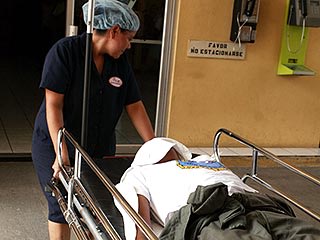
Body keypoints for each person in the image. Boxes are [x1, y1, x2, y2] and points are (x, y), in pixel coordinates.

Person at [31, 0, 155, 239]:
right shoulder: (65, 52)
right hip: (55, 143)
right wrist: (61, 152)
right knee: (63, 205)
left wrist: (155, 147)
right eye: (128, 38)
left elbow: (135, 105)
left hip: (98, 146)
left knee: (95, 206)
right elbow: (53, 106)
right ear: (114, 30)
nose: (129, 46)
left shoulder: (119, 64)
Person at [116, 137, 320, 240]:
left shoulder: (205, 159)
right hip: (211, 216)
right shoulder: (140, 173)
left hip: (257, 205)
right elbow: (140, 229)